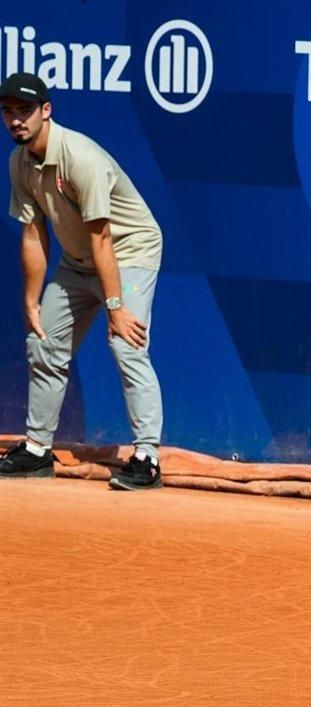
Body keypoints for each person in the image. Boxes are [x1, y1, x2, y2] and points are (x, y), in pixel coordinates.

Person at [0, 72, 166, 489]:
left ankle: (147, 457)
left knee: (126, 342)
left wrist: (115, 308)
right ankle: (37, 451)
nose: (16, 120)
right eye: (8, 113)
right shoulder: (18, 163)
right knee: (43, 342)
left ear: (46, 111)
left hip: (128, 252)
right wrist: (32, 300)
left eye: (25, 111)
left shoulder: (81, 158)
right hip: (78, 262)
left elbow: (103, 237)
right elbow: (34, 232)